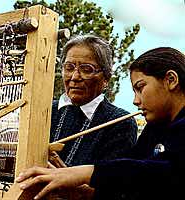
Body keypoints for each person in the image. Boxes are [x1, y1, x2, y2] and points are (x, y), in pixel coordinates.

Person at [16, 47, 185, 200]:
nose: (135, 101)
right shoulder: (157, 127)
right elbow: (130, 188)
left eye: (140, 88)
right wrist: (81, 192)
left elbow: (166, 173)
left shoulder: (122, 122)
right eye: (68, 68)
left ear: (171, 80)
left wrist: (86, 173)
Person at [49, 34, 137, 167]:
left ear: (106, 78)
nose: (75, 77)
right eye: (69, 68)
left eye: (86, 70)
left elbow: (111, 184)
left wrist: (61, 176)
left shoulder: (120, 122)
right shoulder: (47, 110)